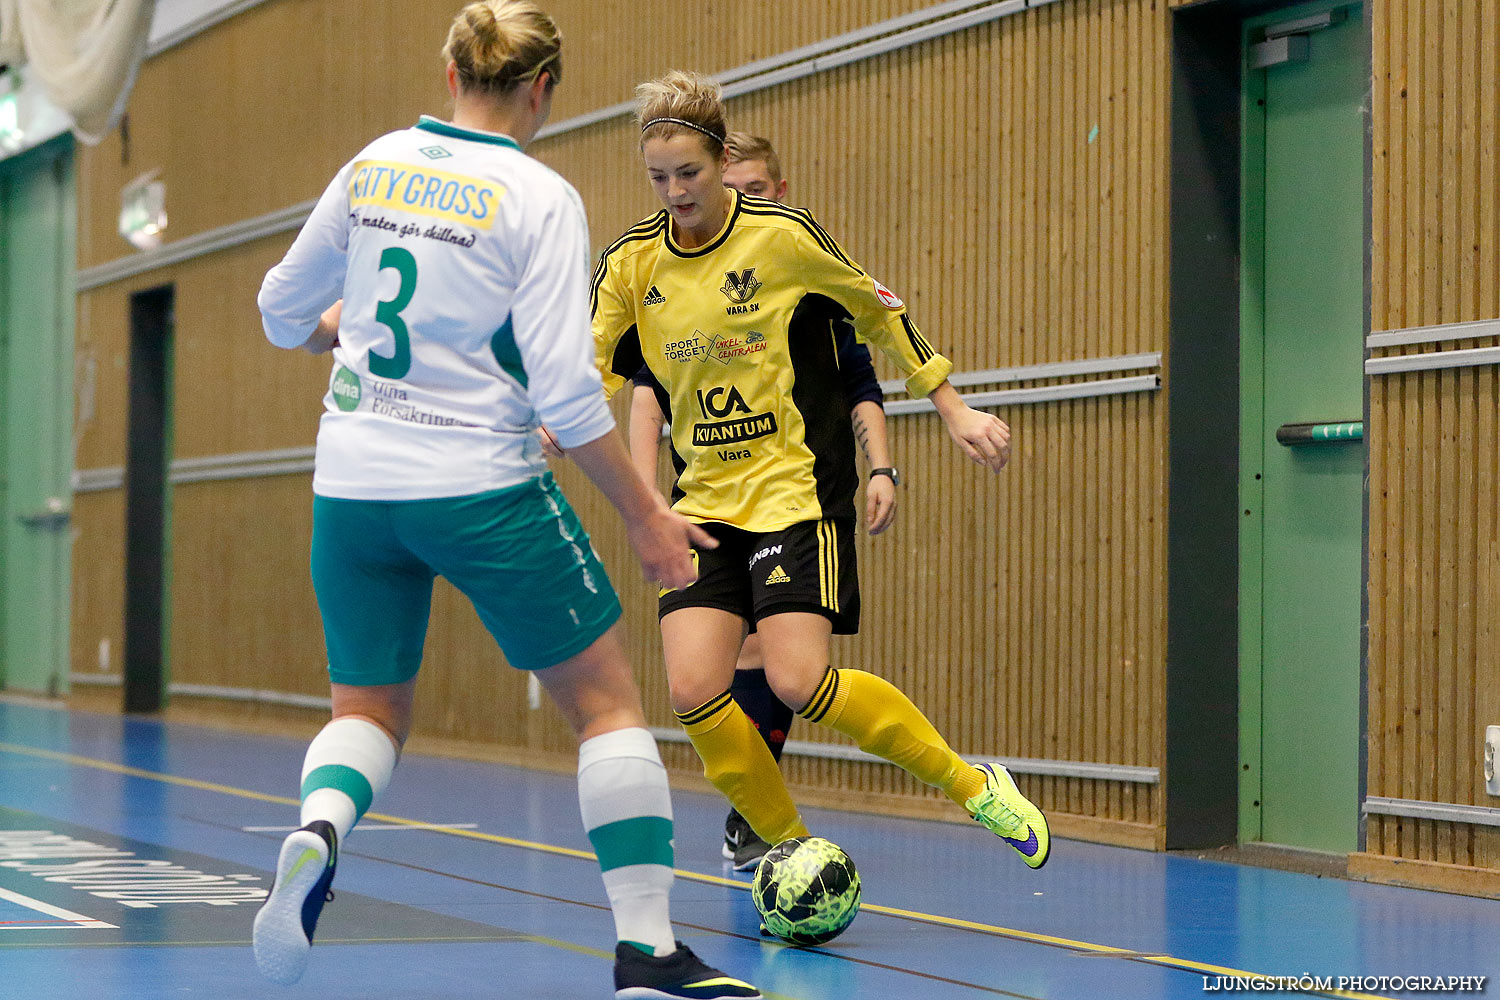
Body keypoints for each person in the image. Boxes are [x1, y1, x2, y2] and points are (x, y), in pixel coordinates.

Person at [253, 9, 759, 999]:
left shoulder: (373, 166)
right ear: (543, 89)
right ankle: (648, 952)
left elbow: (279, 308)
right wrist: (647, 515)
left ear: (449, 73)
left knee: (367, 708)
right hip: (478, 484)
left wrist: (331, 332)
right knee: (606, 703)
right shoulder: (539, 196)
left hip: (353, 485)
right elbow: (568, 395)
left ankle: (318, 827)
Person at [591, 71, 1051, 880]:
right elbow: (591, 370)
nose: (675, 193)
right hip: (702, 506)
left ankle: (971, 783)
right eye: (658, 178)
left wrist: (952, 407)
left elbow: (877, 307)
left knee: (798, 679)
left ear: (718, 155)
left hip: (789, 496)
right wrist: (574, 445)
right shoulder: (631, 264)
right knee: (694, 690)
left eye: (689, 174)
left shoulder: (781, 236)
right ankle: (790, 850)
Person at [627, 131, 898, 870]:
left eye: (749, 188)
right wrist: (645, 495)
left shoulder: (807, 281)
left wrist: (883, 470)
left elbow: (862, 385)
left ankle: (761, 811)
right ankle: (760, 813)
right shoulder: (675, 282)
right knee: (715, 666)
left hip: (801, 488)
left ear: (775, 193)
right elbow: (648, 385)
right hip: (712, 493)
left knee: (786, 665)